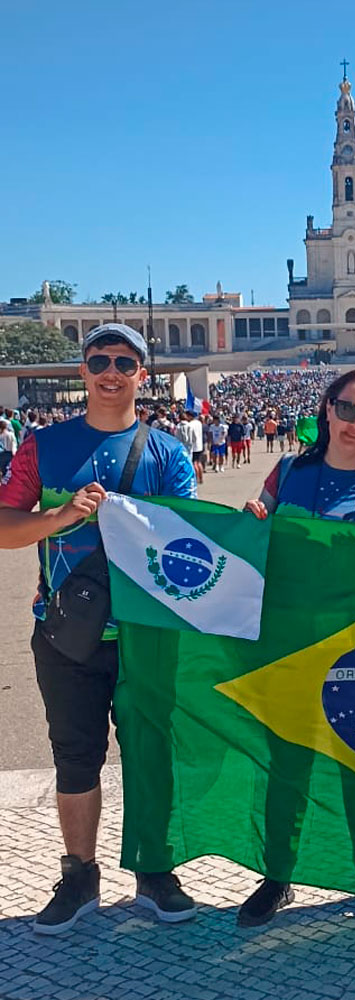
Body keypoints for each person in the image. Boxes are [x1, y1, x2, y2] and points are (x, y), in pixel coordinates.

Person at [0, 323, 198, 935]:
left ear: (144, 373)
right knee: (75, 757)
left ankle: (154, 868)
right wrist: (59, 516)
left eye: (123, 361)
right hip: (67, 633)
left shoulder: (167, 452)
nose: (110, 371)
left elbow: (188, 541)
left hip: (147, 634)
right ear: (83, 370)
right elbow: (6, 526)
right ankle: (79, 874)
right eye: (98, 360)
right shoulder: (43, 445)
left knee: (150, 756)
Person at [241, 369, 355, 927]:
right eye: (347, 410)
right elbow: (253, 538)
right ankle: (277, 876)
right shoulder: (288, 472)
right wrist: (252, 522)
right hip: (290, 643)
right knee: (285, 763)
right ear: (326, 408)